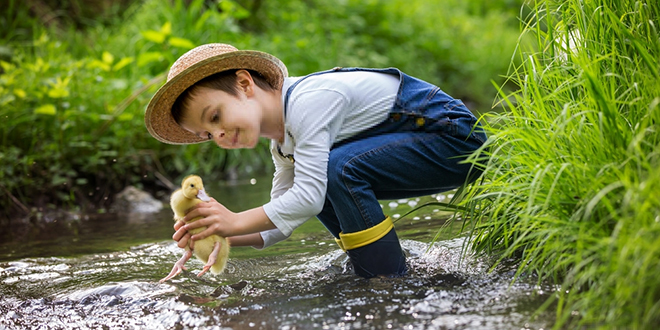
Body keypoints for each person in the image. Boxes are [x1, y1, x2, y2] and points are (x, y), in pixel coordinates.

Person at [145, 43, 487, 278]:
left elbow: (307, 195)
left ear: (245, 83)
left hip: (454, 138)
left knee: (333, 171)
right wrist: (221, 234)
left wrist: (235, 219)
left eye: (215, 116)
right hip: (420, 146)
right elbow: (281, 219)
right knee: (325, 177)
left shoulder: (310, 101)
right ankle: (375, 275)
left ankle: (388, 282)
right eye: (207, 134)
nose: (218, 135)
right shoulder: (282, 146)